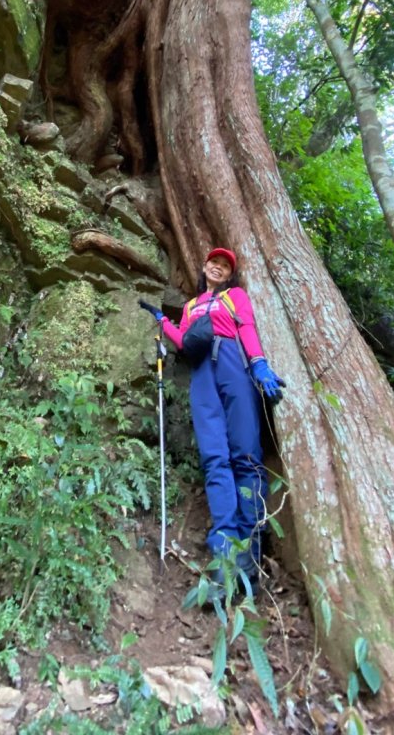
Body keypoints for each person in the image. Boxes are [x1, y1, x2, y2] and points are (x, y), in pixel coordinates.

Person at [139, 247, 285, 590]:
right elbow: (186, 342)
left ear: (229, 274)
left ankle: (251, 545)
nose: (218, 268)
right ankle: (225, 549)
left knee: (246, 453)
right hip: (203, 373)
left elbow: (246, 328)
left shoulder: (235, 297)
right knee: (214, 456)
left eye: (224, 266)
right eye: (213, 263)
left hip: (233, 364)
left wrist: (259, 363)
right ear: (204, 267)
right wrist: (162, 321)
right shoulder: (191, 305)